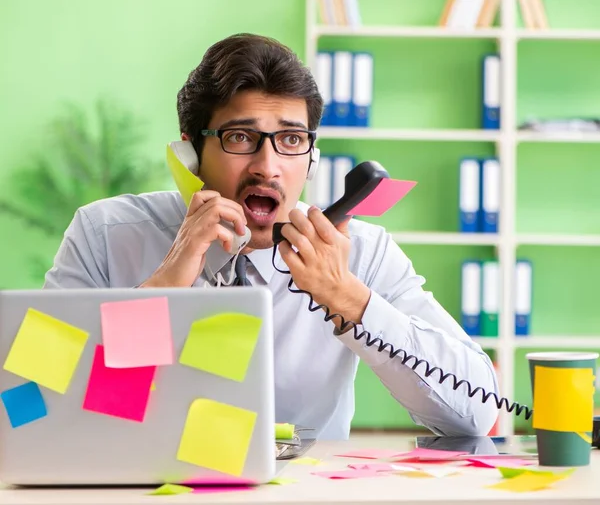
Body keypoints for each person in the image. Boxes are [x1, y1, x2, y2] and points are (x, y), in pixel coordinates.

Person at [44, 33, 499, 439]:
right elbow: (39, 401)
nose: (268, 165)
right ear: (189, 154)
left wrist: (349, 301)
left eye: (291, 139)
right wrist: (165, 286)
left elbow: (476, 413)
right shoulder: (105, 233)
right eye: (241, 137)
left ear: (312, 158)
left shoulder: (361, 251)